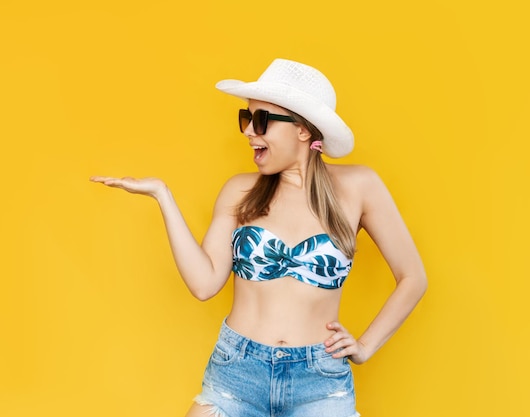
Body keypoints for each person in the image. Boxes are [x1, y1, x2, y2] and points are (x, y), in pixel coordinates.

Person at [91, 58, 427, 417]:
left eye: (262, 120)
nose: (250, 131)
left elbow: (413, 278)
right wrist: (162, 196)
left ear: (302, 130)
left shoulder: (360, 187)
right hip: (236, 374)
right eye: (245, 119)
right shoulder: (240, 190)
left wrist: (364, 346)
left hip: (320, 383)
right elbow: (204, 285)